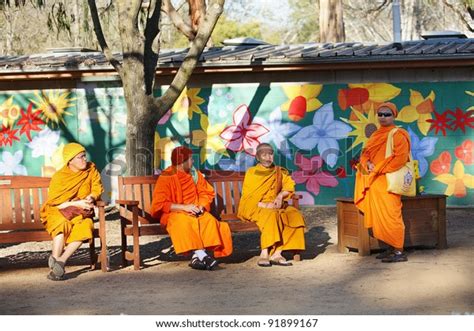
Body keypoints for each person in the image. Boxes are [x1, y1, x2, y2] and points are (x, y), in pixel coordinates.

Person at [150, 146, 233, 270]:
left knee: (208, 220)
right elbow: (160, 204)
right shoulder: (166, 176)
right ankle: (203, 255)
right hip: (174, 213)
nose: (193, 161)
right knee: (184, 222)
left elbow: (205, 193)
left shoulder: (195, 174)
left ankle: (196, 258)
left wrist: (201, 206)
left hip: (195, 210)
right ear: (181, 162)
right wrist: (184, 207)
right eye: (190, 159)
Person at [354, 102, 411, 262]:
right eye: (380, 114)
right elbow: (365, 154)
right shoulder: (375, 134)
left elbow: (400, 158)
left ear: (394, 116)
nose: (383, 117)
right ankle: (390, 247)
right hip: (374, 183)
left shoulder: (398, 134)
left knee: (392, 215)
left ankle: (399, 251)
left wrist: (377, 168)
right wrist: (367, 164)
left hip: (389, 183)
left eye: (387, 114)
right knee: (380, 217)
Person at [41, 142, 104, 280]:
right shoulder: (59, 176)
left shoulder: (91, 169)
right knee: (61, 222)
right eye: (80, 157)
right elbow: (55, 202)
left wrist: (91, 197)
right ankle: (56, 258)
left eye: (84, 156)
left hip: (81, 213)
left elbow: (97, 187)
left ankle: (61, 261)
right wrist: (78, 203)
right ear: (70, 161)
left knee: (86, 226)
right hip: (58, 210)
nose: (84, 159)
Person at [238, 143, 305, 267]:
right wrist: (264, 205)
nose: (268, 158)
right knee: (272, 215)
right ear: (258, 157)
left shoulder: (279, 171)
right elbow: (248, 197)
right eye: (264, 155)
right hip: (255, 206)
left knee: (294, 214)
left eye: (270, 155)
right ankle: (264, 253)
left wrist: (280, 196)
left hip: (276, 205)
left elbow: (289, 187)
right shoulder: (252, 172)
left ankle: (277, 253)